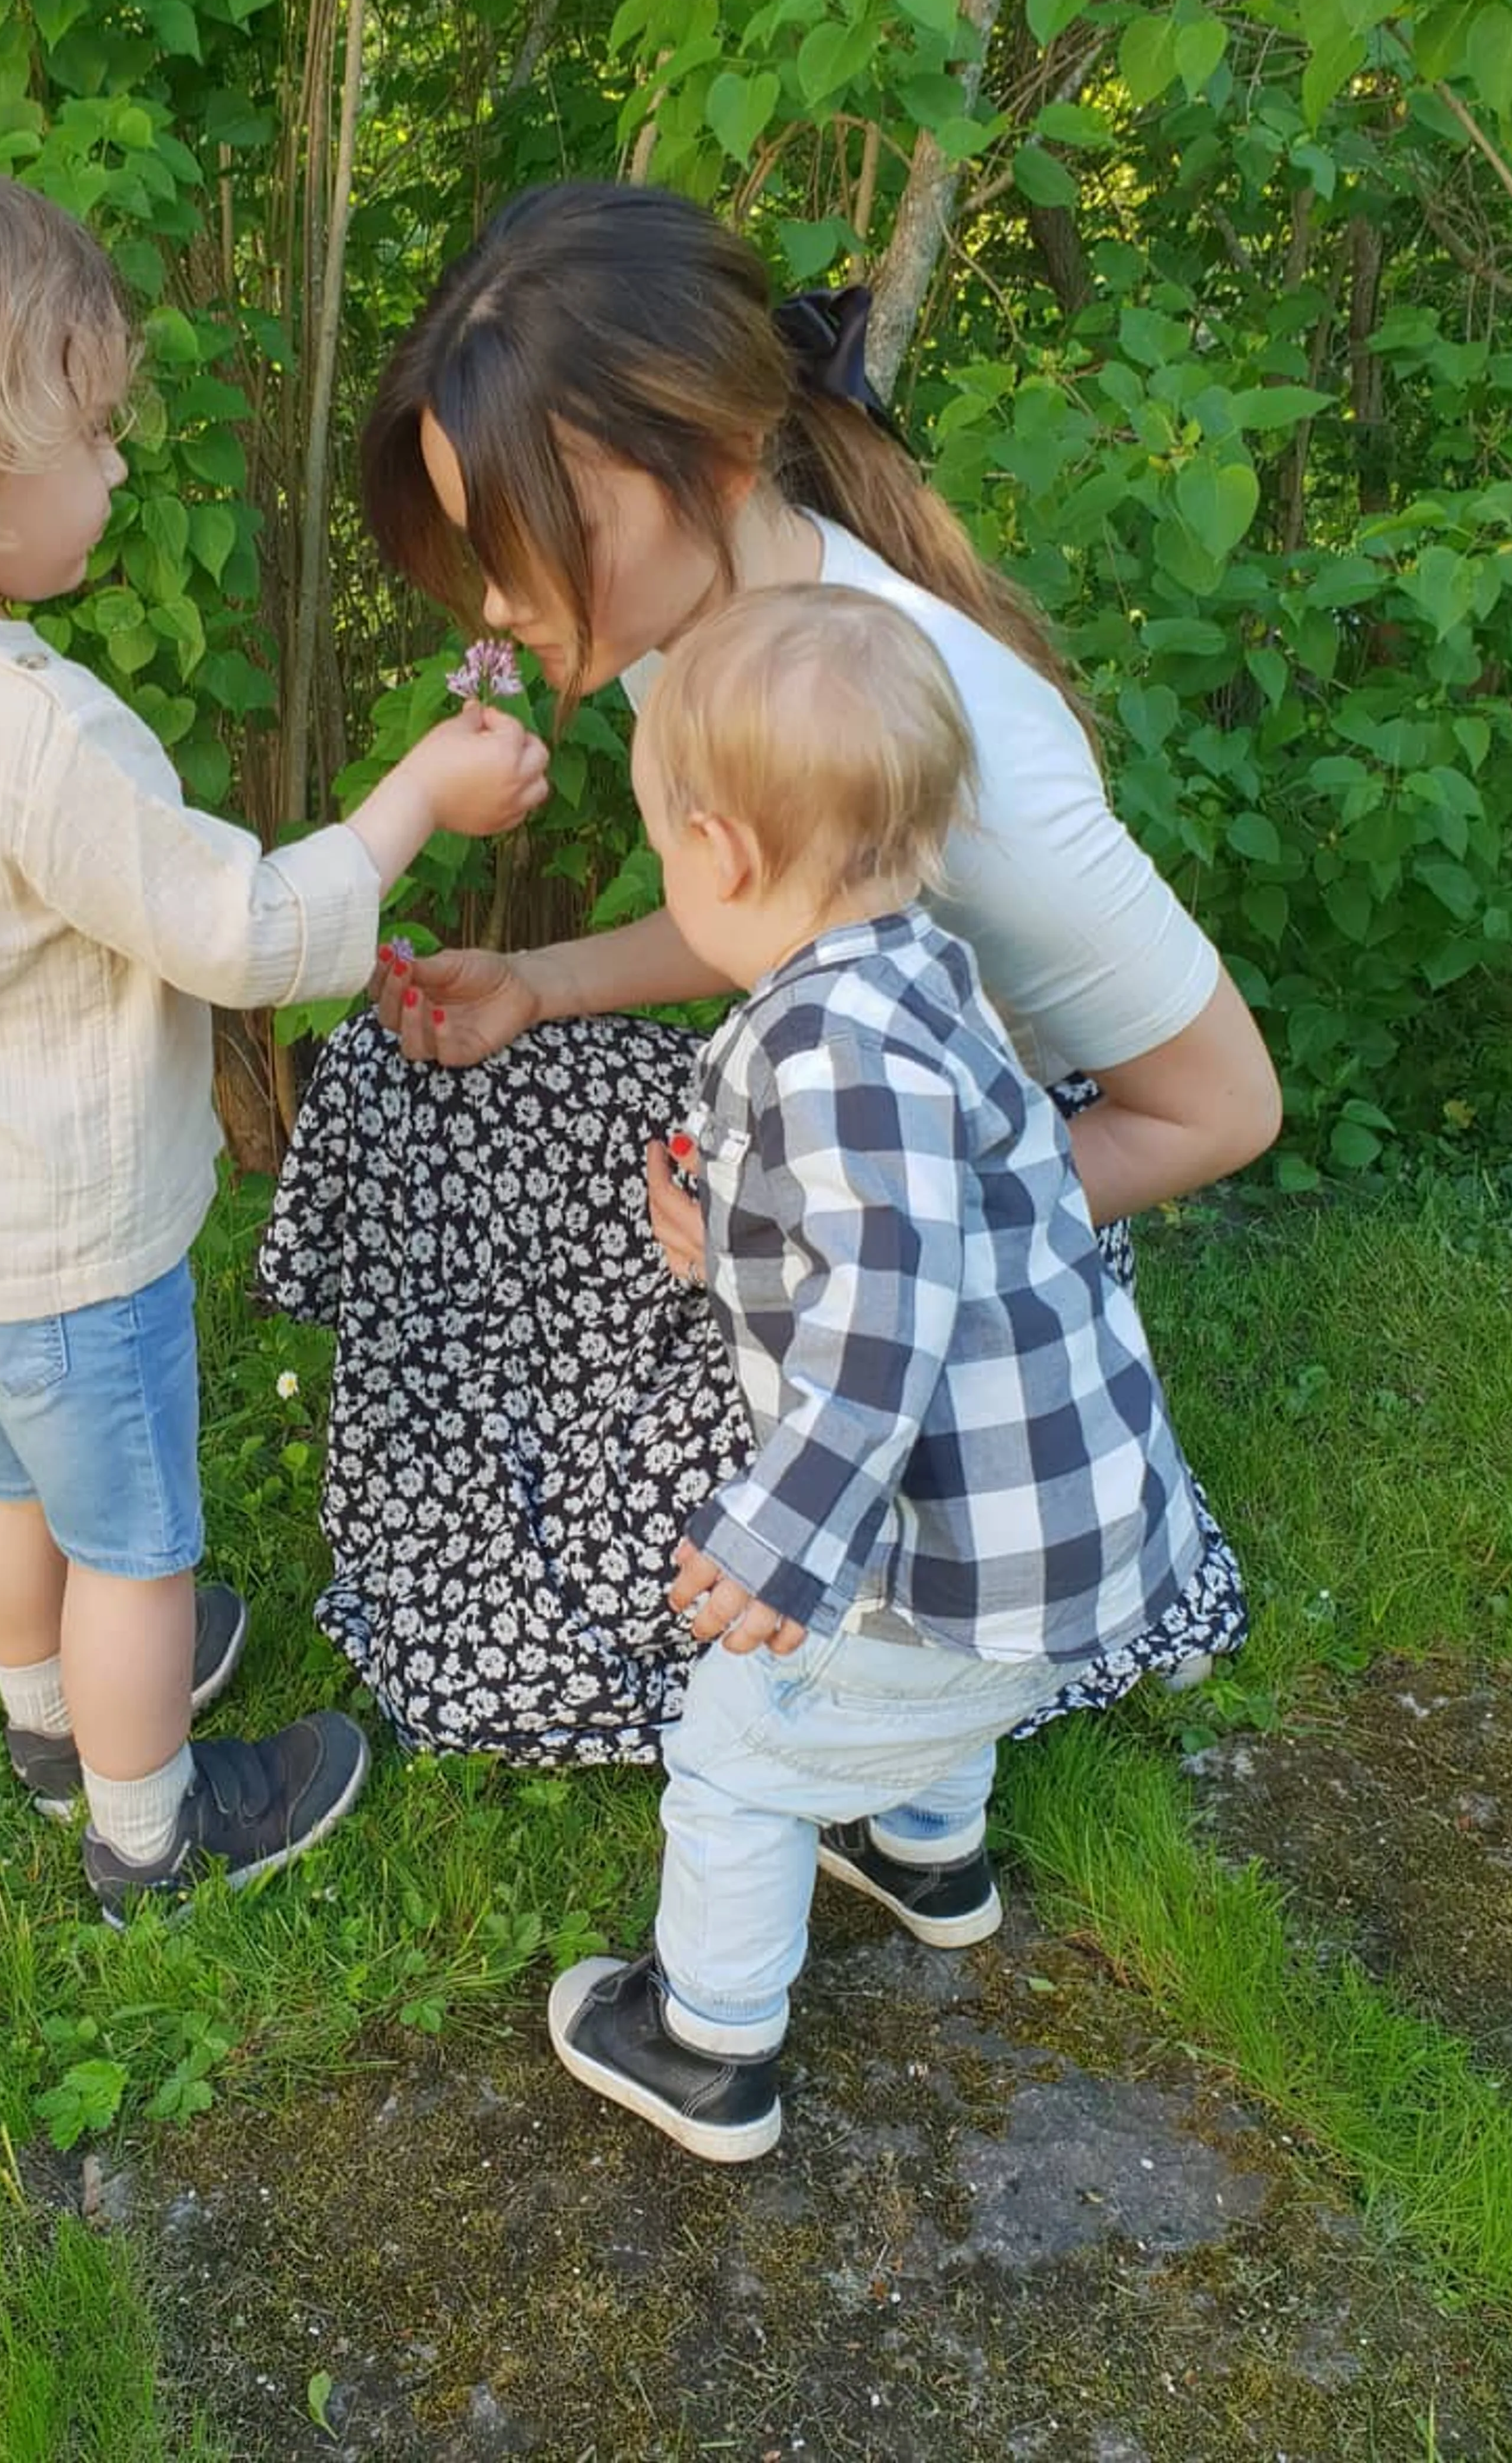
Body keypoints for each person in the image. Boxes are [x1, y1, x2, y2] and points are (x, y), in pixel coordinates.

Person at [257, 178, 1274, 1770]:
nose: (502, 601)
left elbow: (1221, 1111)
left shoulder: (989, 785)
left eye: (536, 534)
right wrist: (540, 982)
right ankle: (483, 1532)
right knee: (412, 1077)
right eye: (478, 539)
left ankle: (910, 1642)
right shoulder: (712, 608)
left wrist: (790, 1231)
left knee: (648, 1606)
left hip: (924, 1271)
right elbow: (772, 912)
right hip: (817, 1135)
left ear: (712, 465)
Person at [0, 149, 547, 1920]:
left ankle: (43, 1719)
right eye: (91, 433)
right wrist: (410, 807)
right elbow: (242, 936)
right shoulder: (32, 730)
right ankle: (150, 1831)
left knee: (10, 1495)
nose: (124, 465)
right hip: (69, 1257)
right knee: (138, 1553)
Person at [545, 584, 1211, 2160]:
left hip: (935, 1538)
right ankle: (929, 1852)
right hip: (1067, 1523)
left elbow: (886, 1311)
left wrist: (786, 1533)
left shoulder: (824, 1050)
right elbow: (913, 1213)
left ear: (716, 854)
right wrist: (729, 1217)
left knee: (734, 1749)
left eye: (662, 847)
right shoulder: (920, 975)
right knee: (941, 1670)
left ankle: (711, 2043)